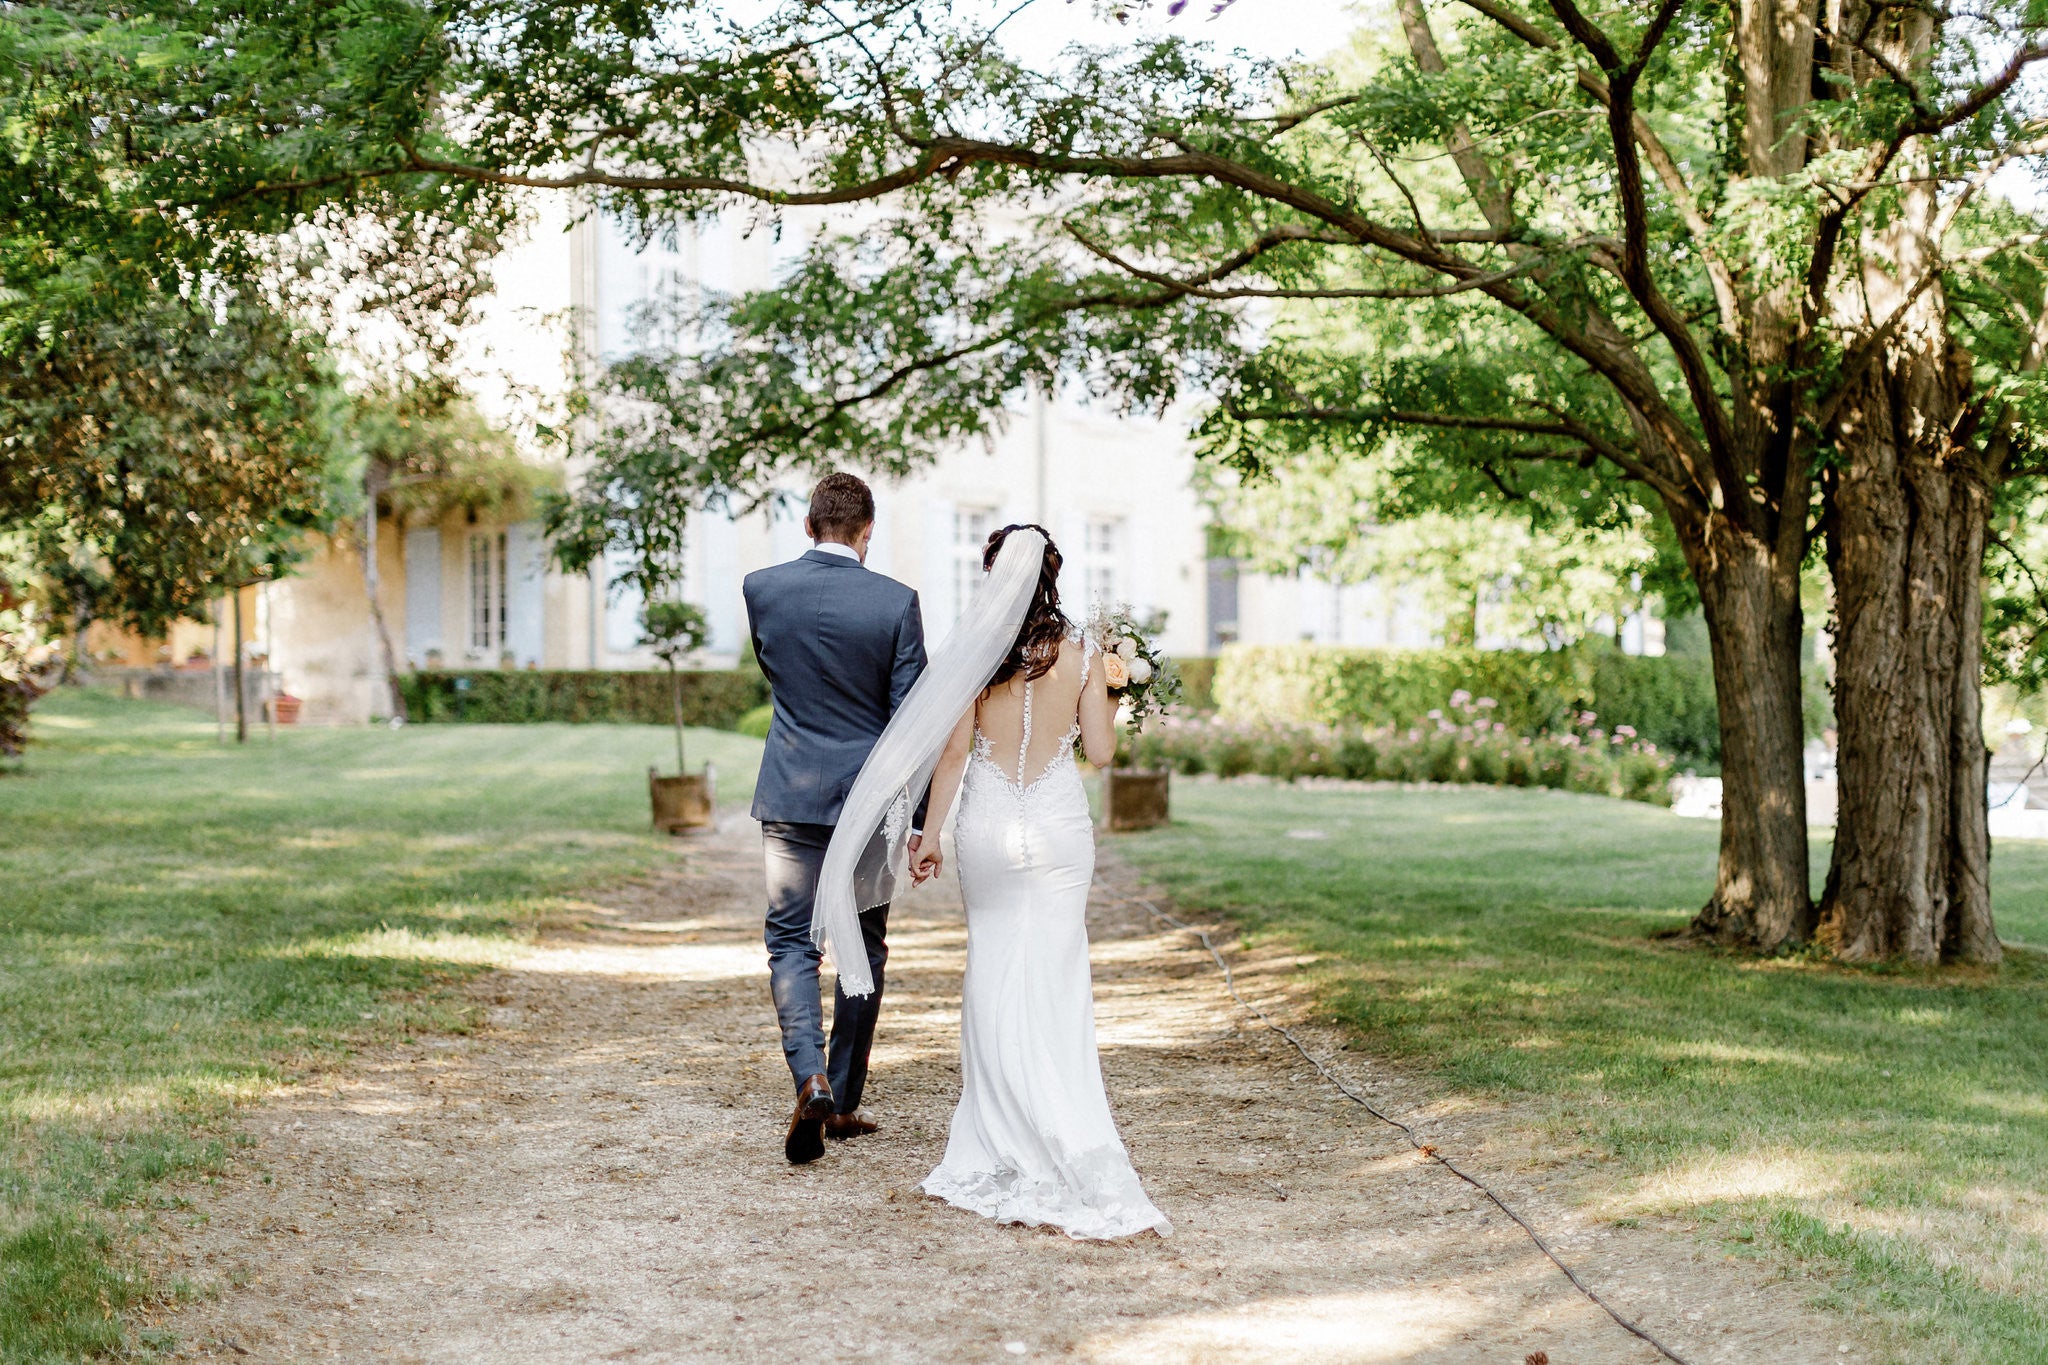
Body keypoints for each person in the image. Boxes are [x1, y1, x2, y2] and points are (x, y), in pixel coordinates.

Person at [814, 523, 1170, 1240]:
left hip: (988, 825)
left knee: (994, 967)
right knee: (1056, 970)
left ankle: (1000, 1127)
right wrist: (1113, 688)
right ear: (1053, 576)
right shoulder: (1082, 655)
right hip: (1058, 827)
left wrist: (928, 836)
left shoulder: (978, 658)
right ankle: (1064, 1119)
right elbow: (1099, 753)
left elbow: (951, 756)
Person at [742, 472, 926, 1165]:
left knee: (791, 942)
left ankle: (808, 1076)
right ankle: (842, 1099)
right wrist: (919, 819)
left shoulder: (762, 589)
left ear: (809, 523)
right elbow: (914, 722)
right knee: (864, 945)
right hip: (871, 802)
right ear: (866, 530)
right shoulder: (896, 602)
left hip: (792, 793)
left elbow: (777, 673)